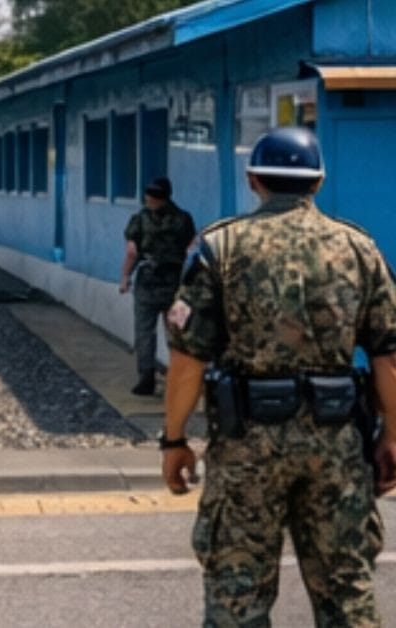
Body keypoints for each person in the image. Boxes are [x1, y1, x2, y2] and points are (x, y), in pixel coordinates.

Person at [161, 126, 396, 626]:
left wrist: (174, 439)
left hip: (248, 445)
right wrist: (393, 435)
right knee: (346, 591)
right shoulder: (359, 249)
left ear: (253, 180)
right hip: (336, 443)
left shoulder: (219, 249)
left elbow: (188, 358)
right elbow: (388, 356)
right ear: (318, 182)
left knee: (237, 594)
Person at [120, 177, 197, 396]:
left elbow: (131, 252)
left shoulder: (140, 219)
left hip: (148, 282)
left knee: (145, 332)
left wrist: (125, 277)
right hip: (175, 284)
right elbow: (191, 250)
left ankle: (146, 378)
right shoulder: (183, 218)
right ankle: (180, 378)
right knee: (177, 332)